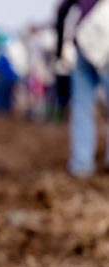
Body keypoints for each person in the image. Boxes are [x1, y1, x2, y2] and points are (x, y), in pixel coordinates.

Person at [56, 0, 109, 177]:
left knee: (81, 107)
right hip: (102, 42)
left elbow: (62, 10)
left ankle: (81, 163)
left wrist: (59, 53)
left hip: (84, 42)